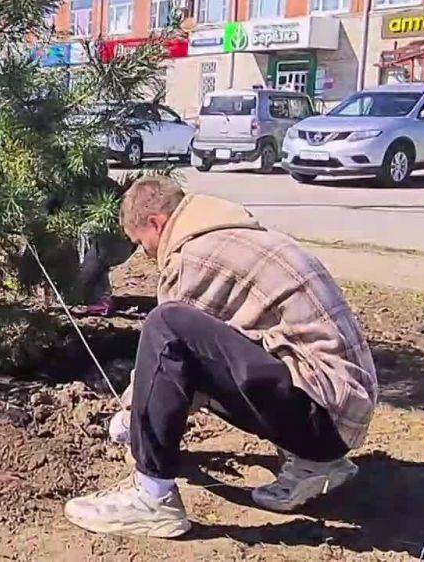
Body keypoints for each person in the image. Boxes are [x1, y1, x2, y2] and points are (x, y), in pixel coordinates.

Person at [64, 176, 377, 538]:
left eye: (141, 243)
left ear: (156, 223)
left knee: (166, 323)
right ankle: (315, 466)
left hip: (324, 417)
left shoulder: (193, 258)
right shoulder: (232, 233)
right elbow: (207, 362)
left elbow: (168, 355)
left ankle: (151, 497)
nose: (147, 254)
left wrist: (131, 422)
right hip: (341, 409)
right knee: (199, 348)